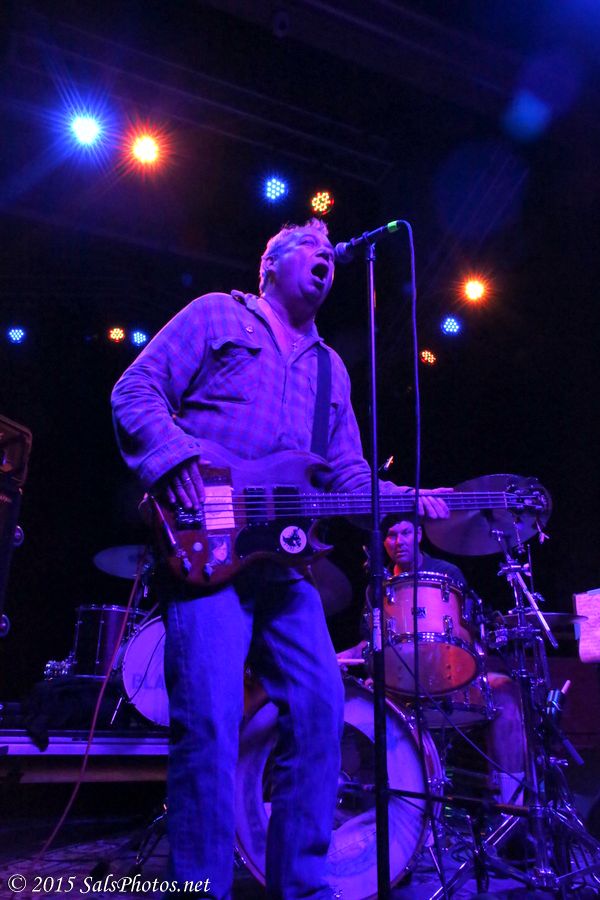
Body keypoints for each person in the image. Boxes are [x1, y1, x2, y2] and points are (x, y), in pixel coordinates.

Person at [111, 218, 450, 899]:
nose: (327, 258)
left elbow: (347, 478)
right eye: (312, 249)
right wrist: (173, 457)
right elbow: (135, 390)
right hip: (205, 551)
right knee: (210, 724)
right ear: (271, 264)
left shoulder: (331, 370)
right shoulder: (217, 315)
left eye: (331, 256)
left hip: (284, 569)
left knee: (323, 708)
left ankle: (302, 886)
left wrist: (411, 498)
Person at [341, 516, 526, 806]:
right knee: (352, 702)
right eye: (391, 535)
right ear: (383, 542)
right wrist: (339, 657)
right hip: (399, 687)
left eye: (405, 533)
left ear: (418, 534)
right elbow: (370, 642)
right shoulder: (378, 586)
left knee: (506, 697)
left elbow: (469, 629)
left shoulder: (446, 573)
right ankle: (388, 810)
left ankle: (512, 808)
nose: (399, 542)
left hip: (452, 677)